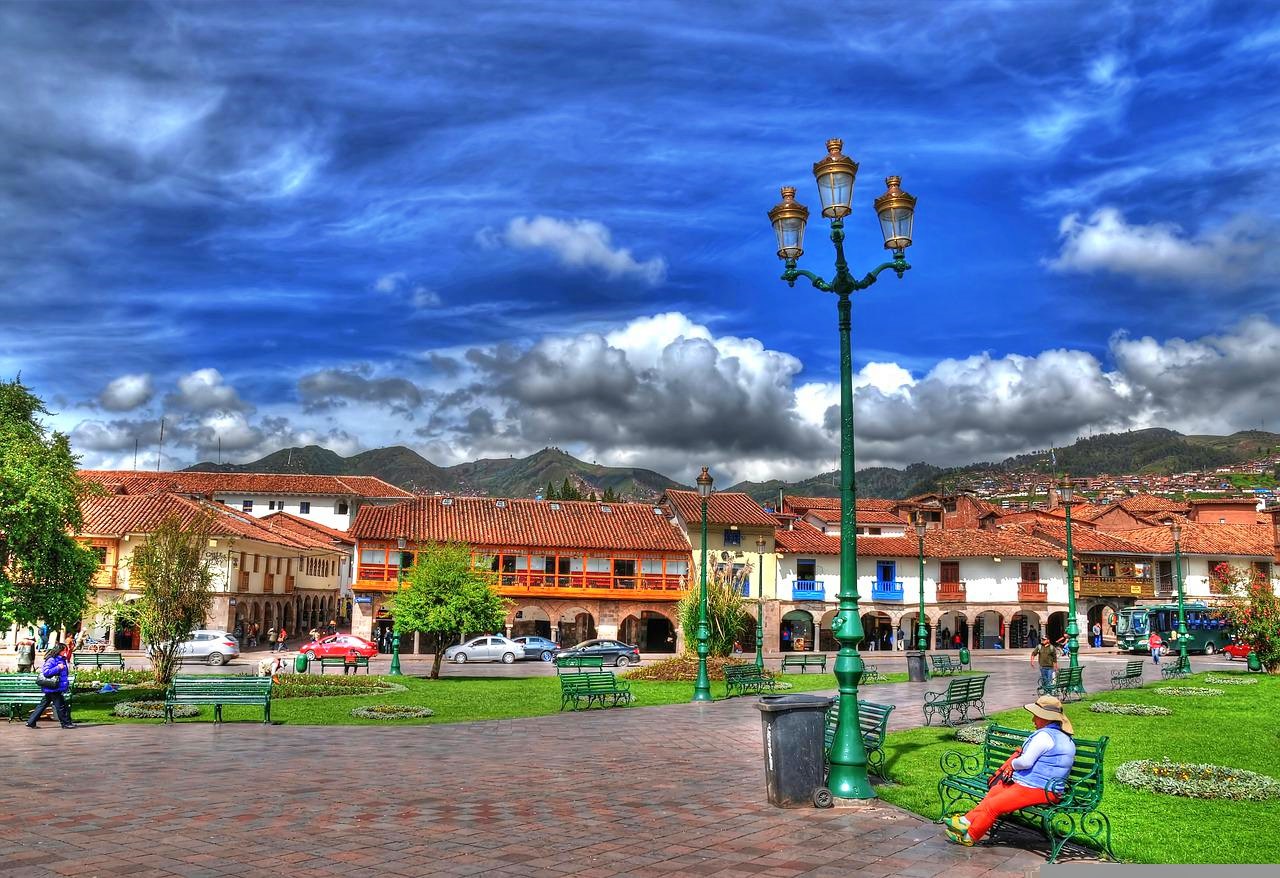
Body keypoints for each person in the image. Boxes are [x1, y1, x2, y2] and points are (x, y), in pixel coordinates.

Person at [943, 696, 1077, 846]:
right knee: (995, 791)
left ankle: (970, 836)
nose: (1033, 720)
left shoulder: (1044, 737)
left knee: (994, 806)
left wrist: (1012, 764)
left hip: (1041, 789)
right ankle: (964, 821)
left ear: (1045, 718)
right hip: (1040, 786)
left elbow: (1026, 762)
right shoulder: (1061, 736)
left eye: (1036, 716)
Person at [26, 643, 75, 729]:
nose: (65, 652)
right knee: (61, 706)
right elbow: (46, 672)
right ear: (59, 650)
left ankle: (31, 722)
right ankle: (66, 723)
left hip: (55, 687)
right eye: (64, 650)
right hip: (53, 687)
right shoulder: (52, 660)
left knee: (43, 705)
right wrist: (58, 668)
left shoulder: (61, 659)